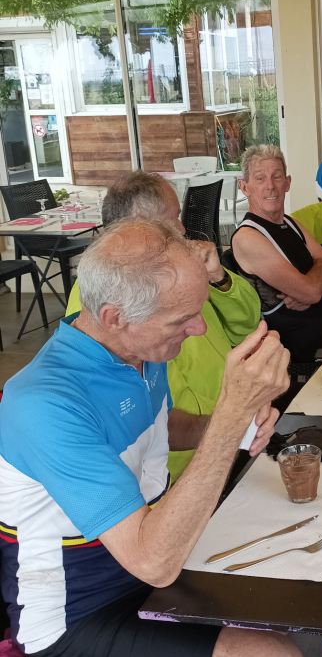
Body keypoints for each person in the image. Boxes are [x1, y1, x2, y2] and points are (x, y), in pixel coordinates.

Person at [0, 219, 306, 657]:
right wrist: (230, 414)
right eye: (181, 319)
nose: (197, 328)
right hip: (77, 616)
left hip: (142, 564)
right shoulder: (45, 403)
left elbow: (162, 427)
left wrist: (229, 428)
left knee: (289, 580)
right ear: (115, 317)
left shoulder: (136, 353)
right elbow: (153, 561)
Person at [66, 171, 262, 481]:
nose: (183, 229)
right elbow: (134, 414)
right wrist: (222, 427)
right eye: (173, 219)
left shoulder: (176, 270)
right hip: (183, 463)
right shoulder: (103, 298)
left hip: (224, 431)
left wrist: (218, 278)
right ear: (138, 229)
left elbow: (246, 324)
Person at [231, 145, 322, 361]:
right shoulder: (248, 237)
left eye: (277, 177)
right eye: (260, 178)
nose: (270, 186)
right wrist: (319, 273)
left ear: (287, 183)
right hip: (309, 340)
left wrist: (313, 286)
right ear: (244, 187)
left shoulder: (291, 223)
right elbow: (312, 292)